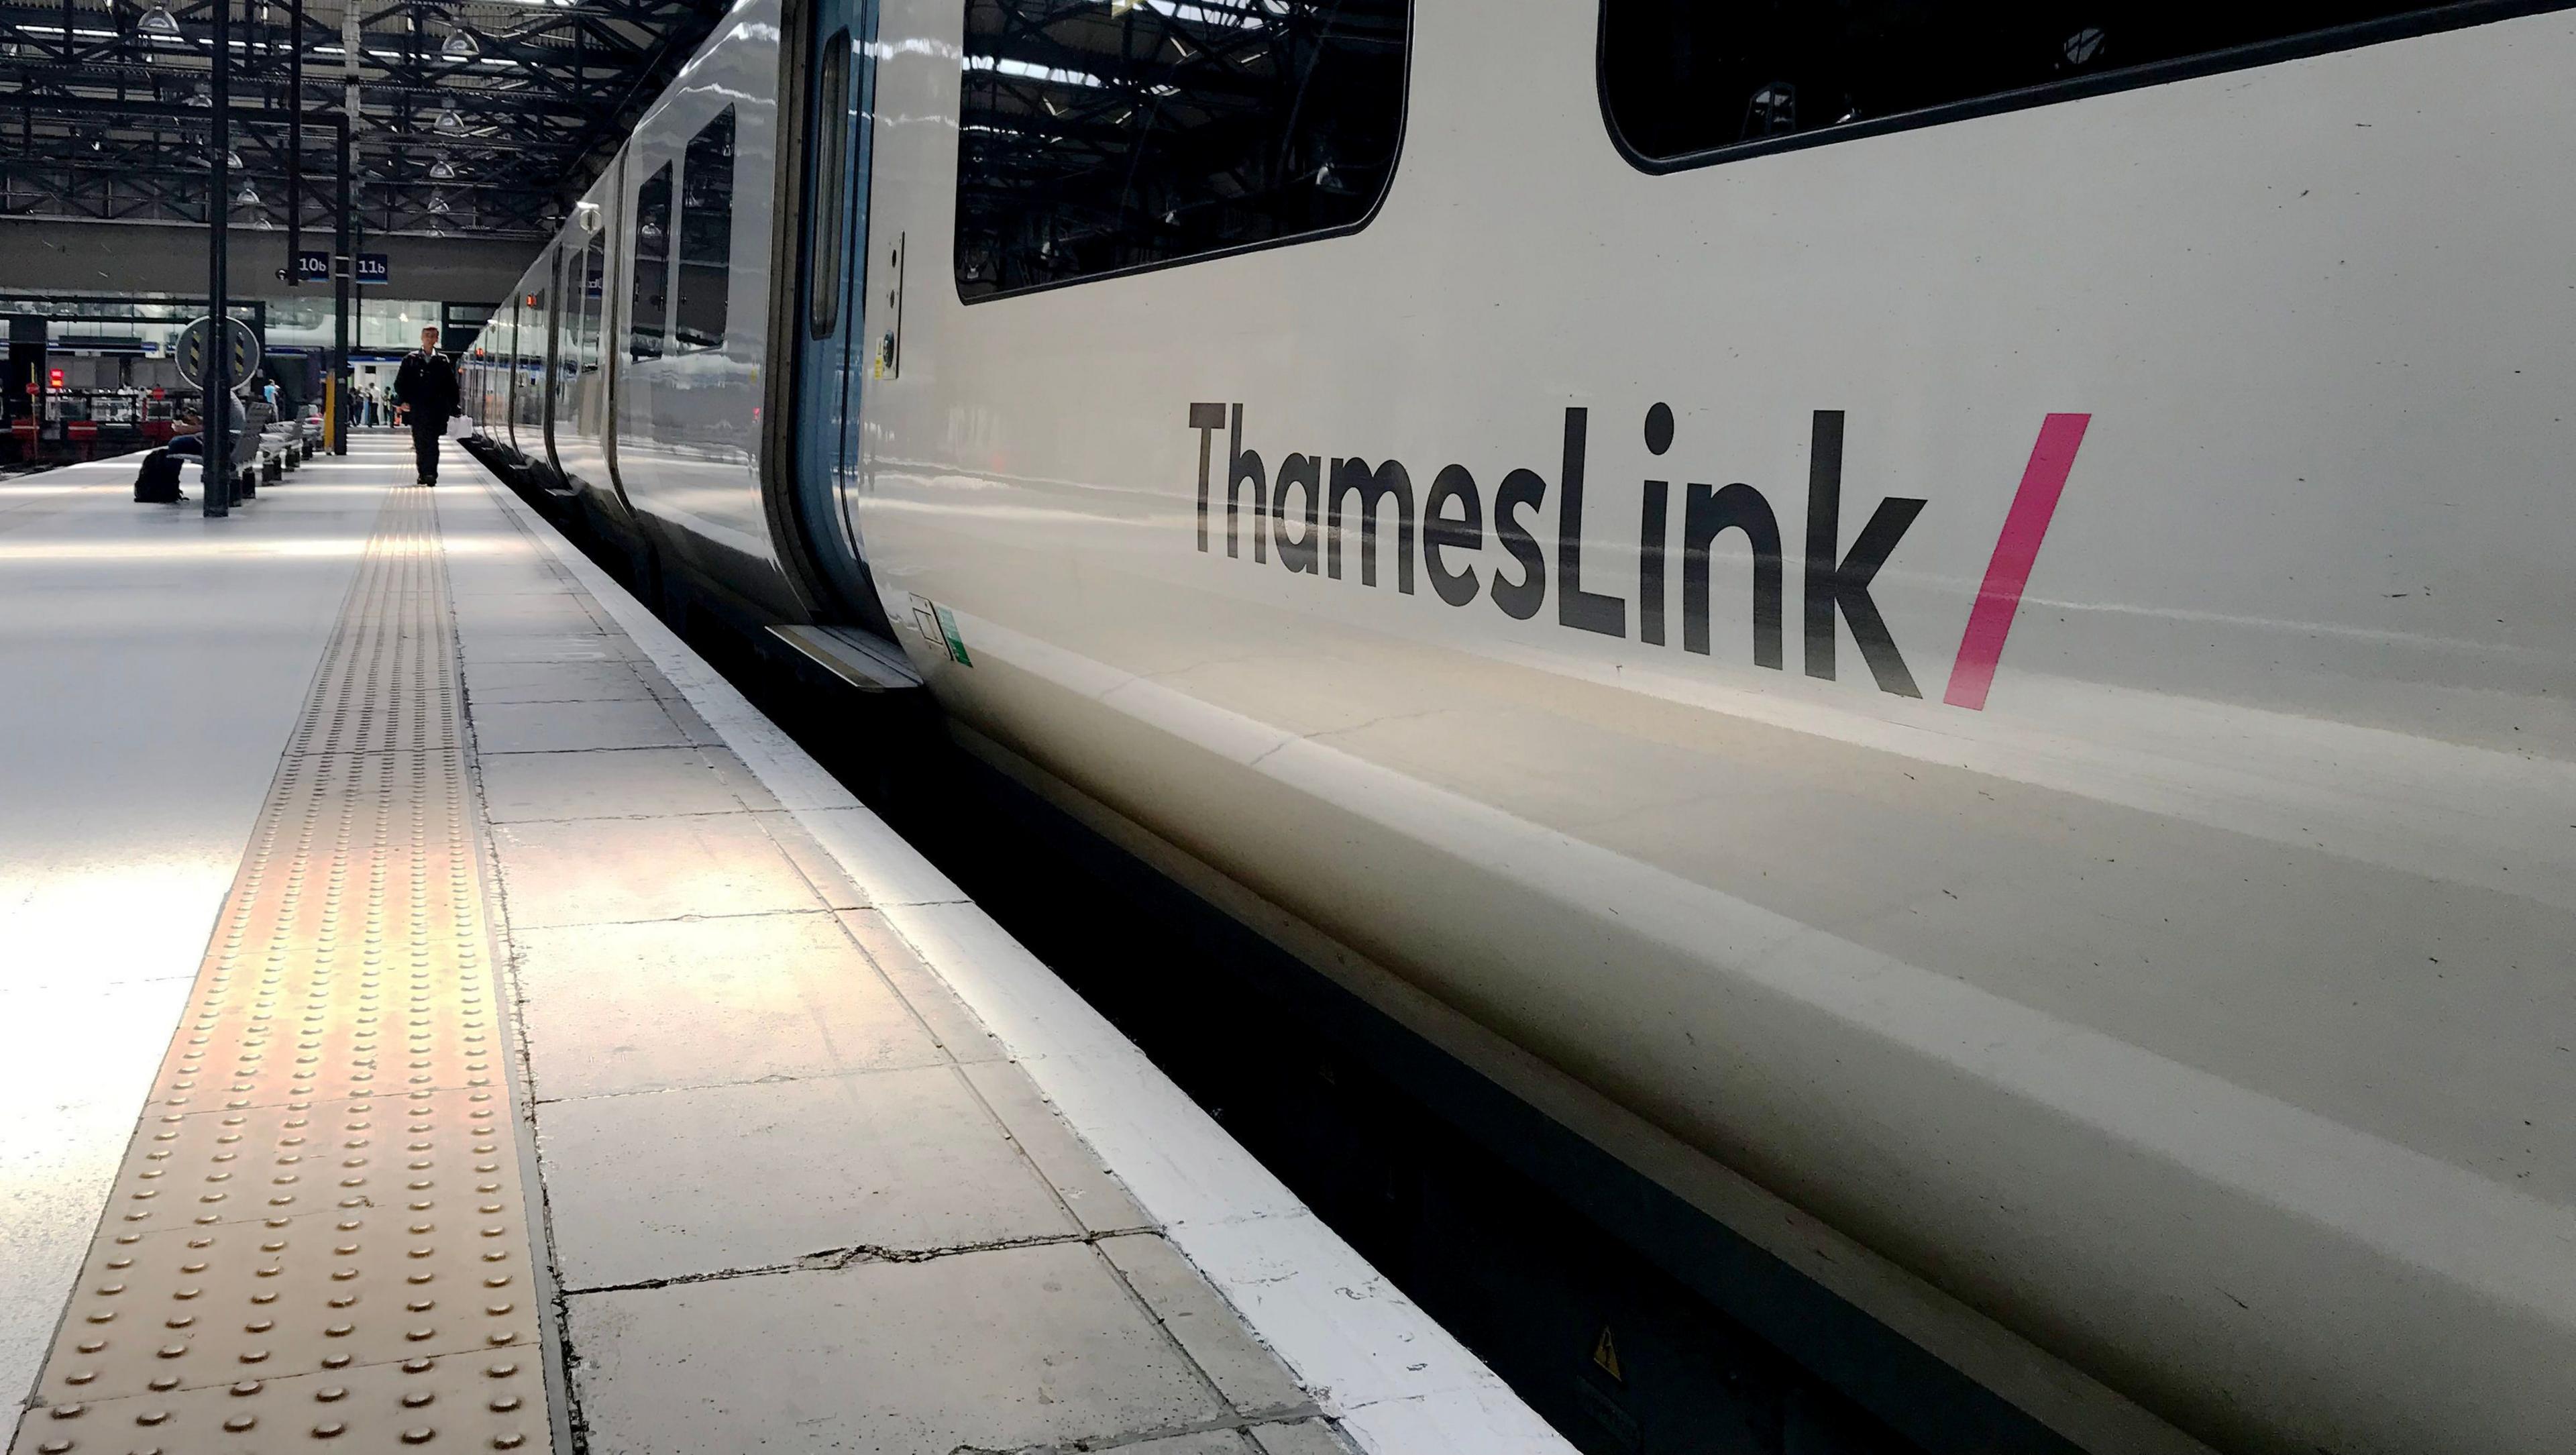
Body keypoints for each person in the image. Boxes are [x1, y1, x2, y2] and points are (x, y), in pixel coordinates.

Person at [392, 327, 460, 486]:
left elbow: (451, 385)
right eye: (427, 336)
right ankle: (423, 472)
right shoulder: (411, 359)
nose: (429, 339)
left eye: (433, 337)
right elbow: (400, 382)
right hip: (417, 408)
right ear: (422, 338)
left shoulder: (442, 360)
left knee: (432, 441)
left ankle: (430, 473)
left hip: (437, 409)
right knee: (420, 442)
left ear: (437, 339)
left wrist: (453, 406)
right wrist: (403, 401)